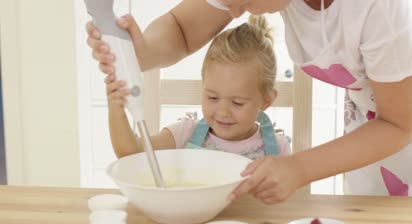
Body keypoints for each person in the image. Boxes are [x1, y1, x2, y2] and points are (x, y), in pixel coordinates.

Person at [86, 0, 412, 202]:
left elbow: (399, 121)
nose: (231, 7)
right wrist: (142, 52)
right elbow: (184, 30)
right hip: (377, 106)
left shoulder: (382, 7)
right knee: (376, 222)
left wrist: (299, 168)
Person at [104, 14, 291, 162]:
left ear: (266, 100)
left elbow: (287, 206)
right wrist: (116, 110)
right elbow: (133, 154)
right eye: (212, 98)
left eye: (237, 102)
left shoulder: (278, 149)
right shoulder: (185, 133)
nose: (223, 111)